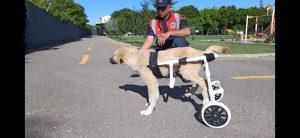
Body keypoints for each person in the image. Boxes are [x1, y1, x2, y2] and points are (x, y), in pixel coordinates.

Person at [139, 0, 191, 82]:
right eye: (158, 8)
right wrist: (138, 53)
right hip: (163, 50)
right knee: (163, 73)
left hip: (176, 47)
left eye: (163, 8)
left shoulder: (177, 17)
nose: (160, 10)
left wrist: (170, 33)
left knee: (180, 41)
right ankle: (170, 69)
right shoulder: (153, 22)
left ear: (169, 7)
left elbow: (187, 32)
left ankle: (183, 69)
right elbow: (149, 41)